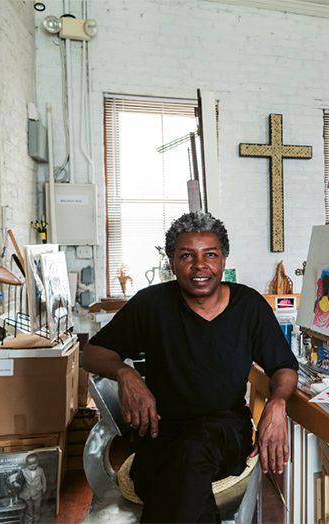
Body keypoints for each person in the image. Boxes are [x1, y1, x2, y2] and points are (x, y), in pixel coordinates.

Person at [82, 211, 298, 522]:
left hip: (225, 431)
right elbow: (91, 353)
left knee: (187, 458)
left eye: (210, 254)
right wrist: (126, 373)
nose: (199, 265)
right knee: (172, 475)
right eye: (186, 255)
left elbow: (284, 367)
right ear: (172, 263)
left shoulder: (248, 306)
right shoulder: (151, 304)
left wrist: (278, 402)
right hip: (162, 431)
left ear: (223, 260)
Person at [18, 452, 47, 524]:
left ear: (38, 462)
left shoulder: (40, 470)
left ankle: (36, 520)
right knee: (29, 509)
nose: (32, 466)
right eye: (30, 464)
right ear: (26, 464)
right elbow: (20, 481)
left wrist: (44, 488)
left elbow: (43, 479)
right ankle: (29, 521)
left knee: (37, 508)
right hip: (28, 494)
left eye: (34, 463)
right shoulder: (24, 471)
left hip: (37, 493)